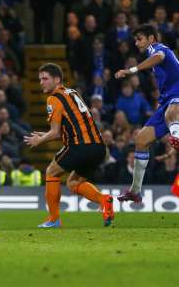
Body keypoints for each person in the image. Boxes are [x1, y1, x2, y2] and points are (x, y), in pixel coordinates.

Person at [24, 63, 114, 228]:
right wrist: (45, 136)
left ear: (57, 79)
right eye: (40, 79)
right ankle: (103, 200)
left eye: (45, 79)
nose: (41, 83)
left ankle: (54, 219)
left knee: (51, 172)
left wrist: (40, 140)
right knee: (73, 183)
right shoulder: (72, 92)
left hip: (80, 146)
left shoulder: (54, 99)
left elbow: (55, 132)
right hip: (99, 147)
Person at [114, 24, 179, 202]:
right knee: (141, 140)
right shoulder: (154, 56)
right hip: (167, 101)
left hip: (177, 96)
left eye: (139, 39)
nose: (136, 43)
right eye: (135, 39)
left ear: (151, 38)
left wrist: (132, 70)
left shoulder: (158, 48)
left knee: (170, 113)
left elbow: (159, 57)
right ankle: (135, 191)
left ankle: (176, 137)